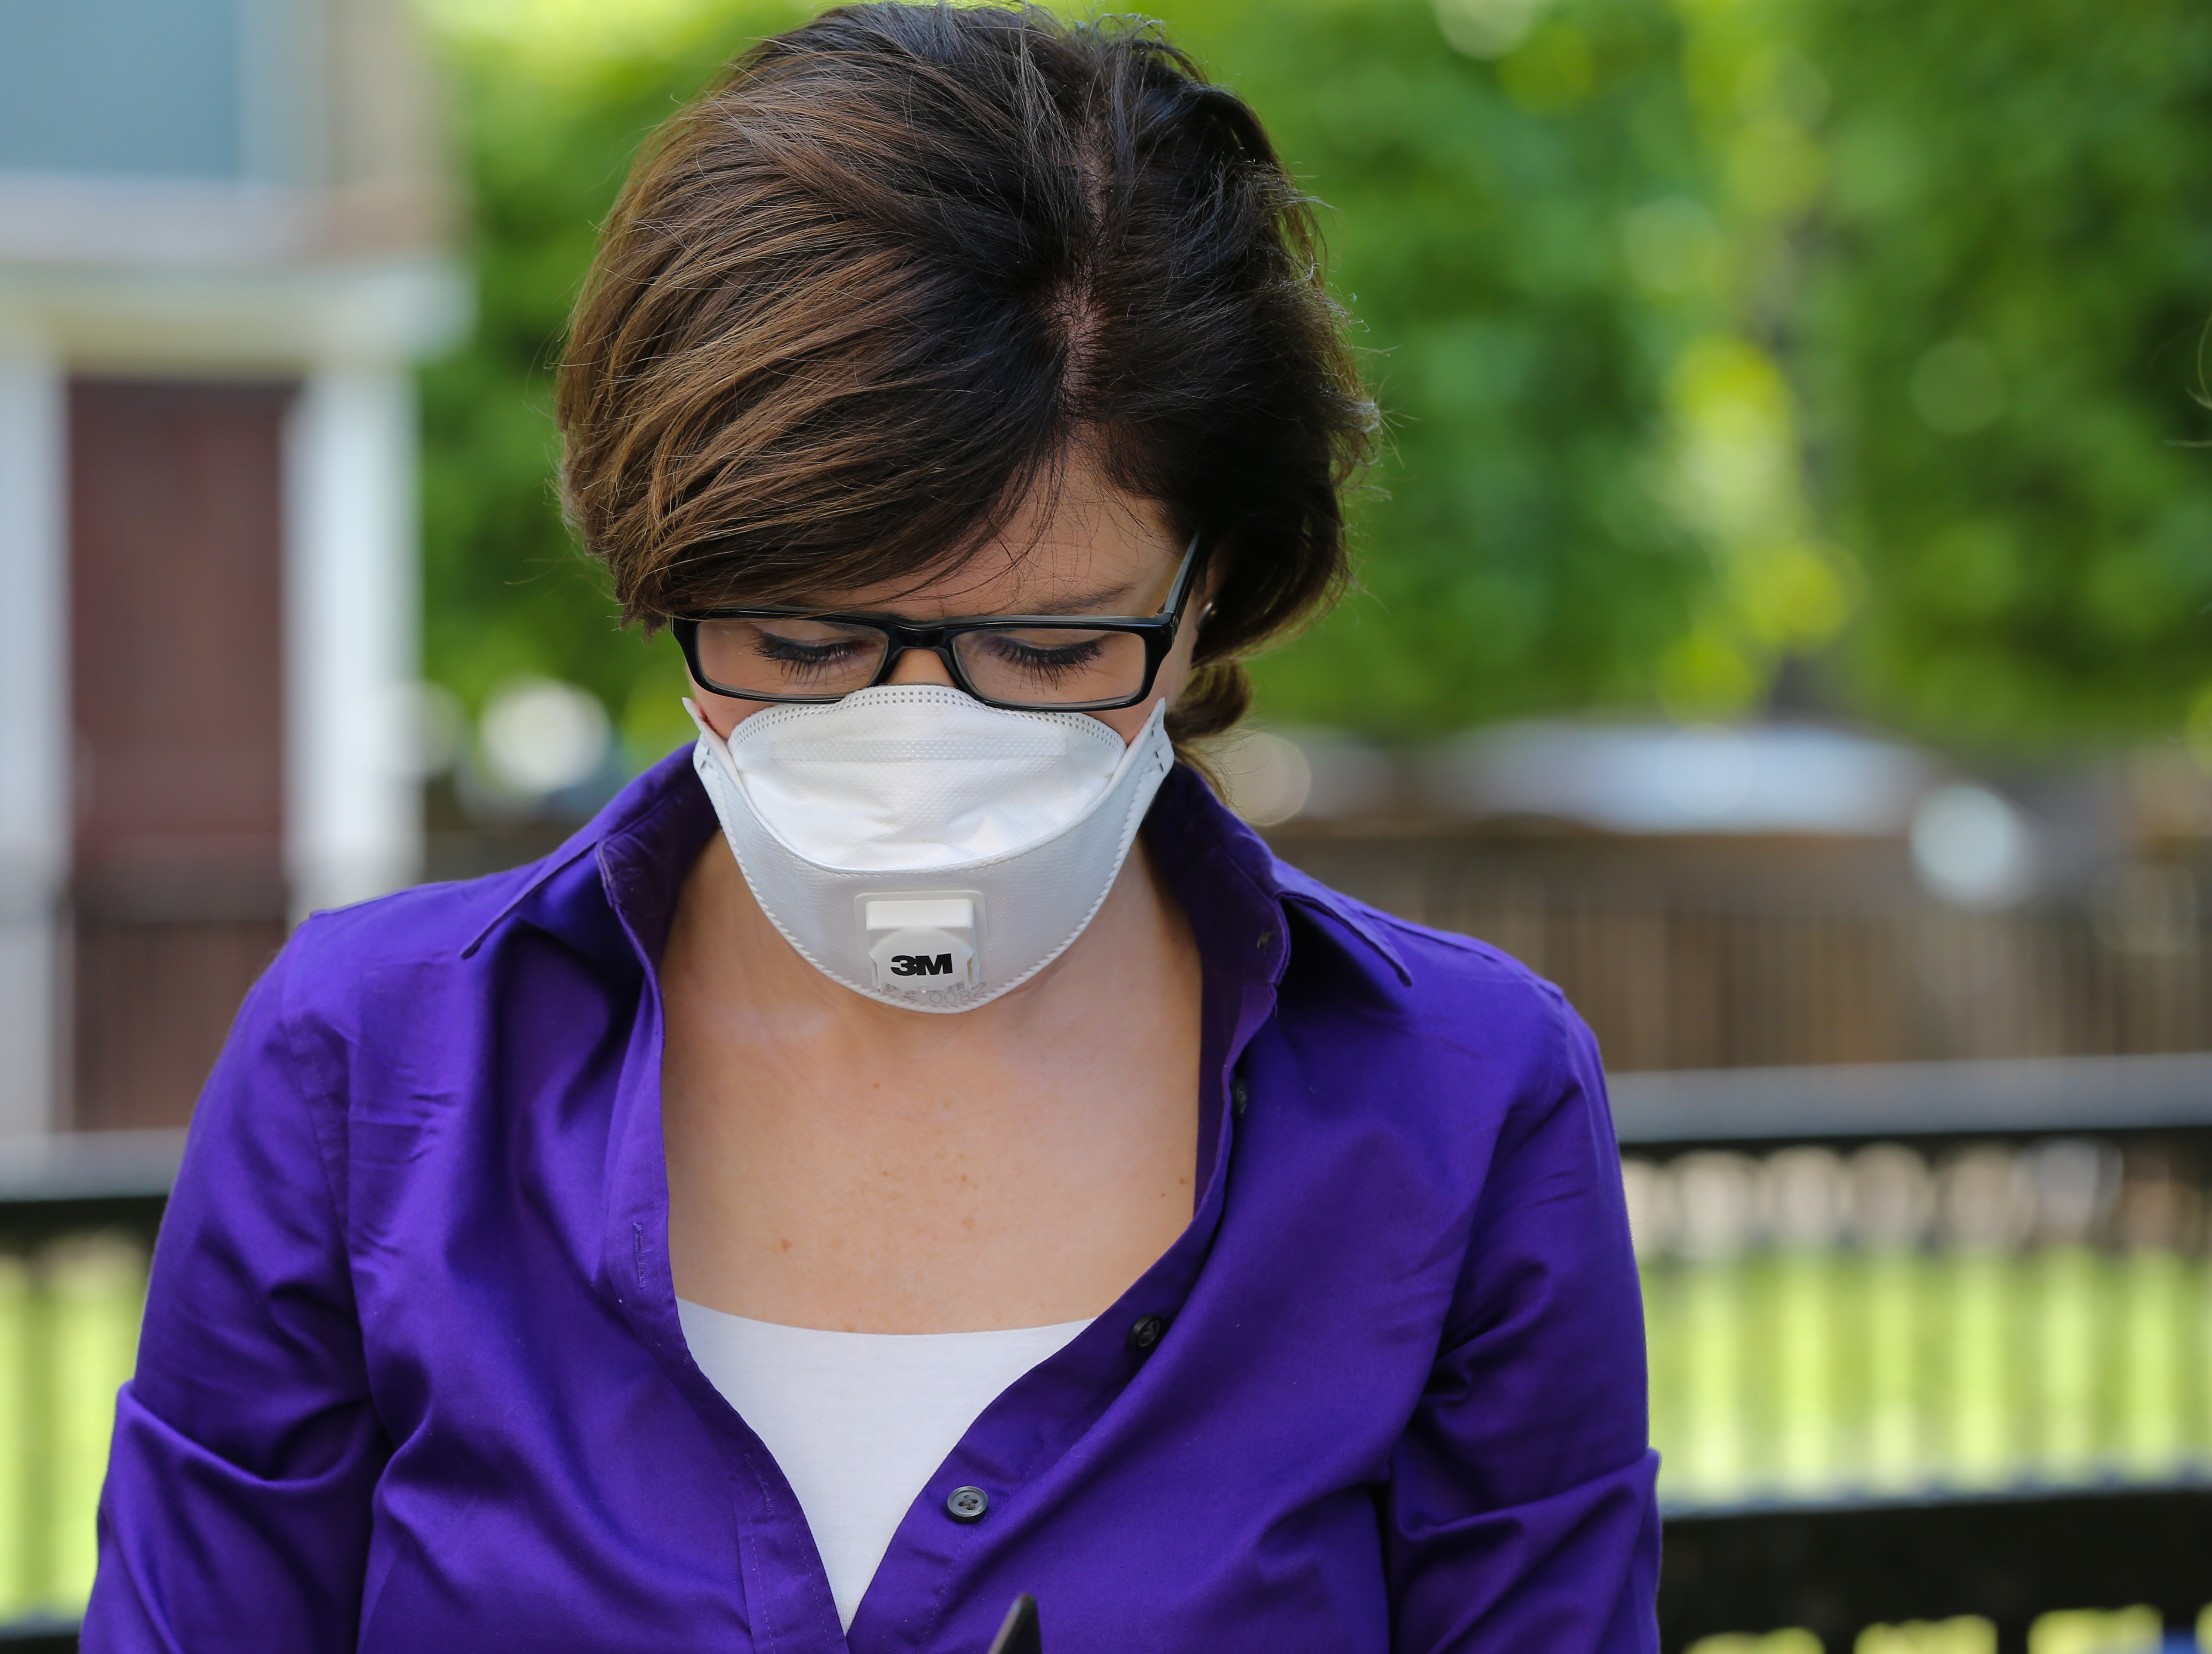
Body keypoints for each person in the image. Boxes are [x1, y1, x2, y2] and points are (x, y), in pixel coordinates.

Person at [85, 6, 1659, 1650]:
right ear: (667, 570)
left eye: (1048, 652)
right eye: (804, 643)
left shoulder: (1462, 1101)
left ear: (1214, 595)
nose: (917, 752)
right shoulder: (370, 1068)